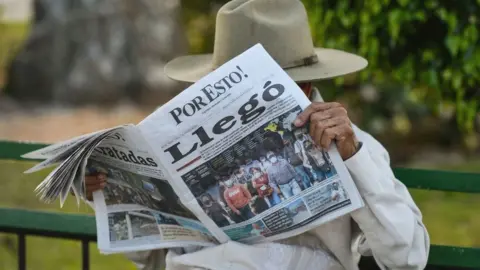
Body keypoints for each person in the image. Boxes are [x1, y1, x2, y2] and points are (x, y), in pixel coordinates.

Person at [82, 0, 429, 269]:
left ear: (304, 86)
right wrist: (112, 194)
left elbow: (407, 258)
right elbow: (154, 260)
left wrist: (354, 158)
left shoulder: (352, 146)